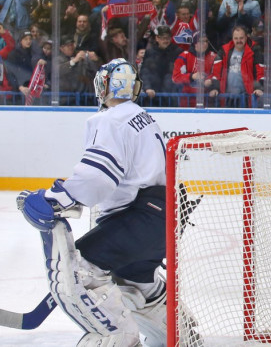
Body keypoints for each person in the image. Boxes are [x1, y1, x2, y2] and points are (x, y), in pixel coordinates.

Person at [17, 58, 167, 347]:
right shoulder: (143, 116)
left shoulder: (110, 119)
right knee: (135, 278)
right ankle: (175, 333)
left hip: (140, 218)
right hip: (164, 217)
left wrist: (57, 198)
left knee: (78, 270)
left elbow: (98, 177)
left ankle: (115, 336)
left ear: (105, 85)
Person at [209, 25, 263, 107]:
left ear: (246, 37)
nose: (239, 41)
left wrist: (258, 88)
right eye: (236, 38)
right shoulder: (224, 50)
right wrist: (215, 88)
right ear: (232, 38)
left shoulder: (254, 50)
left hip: (246, 97)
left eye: (241, 38)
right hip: (227, 96)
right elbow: (216, 71)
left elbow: (260, 71)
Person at [139, 25, 182, 106]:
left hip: (171, 96)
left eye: (168, 38)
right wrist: (147, 87)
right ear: (157, 38)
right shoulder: (150, 52)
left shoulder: (177, 52)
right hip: (153, 95)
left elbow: (180, 73)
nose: (166, 40)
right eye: (163, 38)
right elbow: (145, 72)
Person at [173, 31, 217, 107]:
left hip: (207, 102)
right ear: (195, 43)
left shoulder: (213, 57)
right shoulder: (184, 56)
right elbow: (176, 78)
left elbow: (219, 75)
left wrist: (211, 80)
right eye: (201, 41)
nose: (205, 43)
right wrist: (192, 76)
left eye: (206, 41)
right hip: (186, 102)